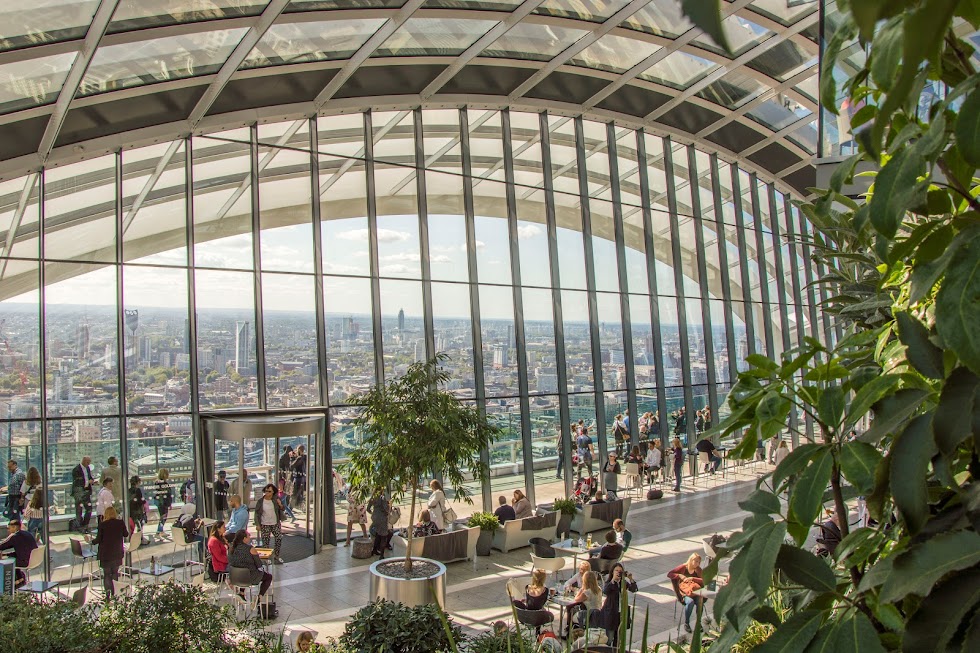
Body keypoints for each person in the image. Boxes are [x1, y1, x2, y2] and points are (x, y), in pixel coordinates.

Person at [593, 562, 638, 645]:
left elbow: (634, 589)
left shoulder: (623, 583)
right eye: (616, 570)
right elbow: (605, 591)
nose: (618, 572)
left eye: (620, 571)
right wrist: (613, 580)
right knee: (609, 638)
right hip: (611, 614)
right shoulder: (610, 583)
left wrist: (631, 579)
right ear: (612, 572)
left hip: (621, 614)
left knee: (618, 640)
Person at [92, 505, 128, 598]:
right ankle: (115, 594)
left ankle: (107, 595)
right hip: (117, 553)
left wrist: (90, 541)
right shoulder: (120, 523)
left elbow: (98, 540)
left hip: (106, 555)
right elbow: (126, 534)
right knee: (115, 573)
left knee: (107, 574)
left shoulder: (103, 525)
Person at [228, 530, 273, 601]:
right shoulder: (251, 549)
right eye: (249, 535)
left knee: (243, 571)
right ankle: (259, 597)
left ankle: (241, 593)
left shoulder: (231, 548)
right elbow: (259, 565)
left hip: (235, 577)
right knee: (268, 577)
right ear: (244, 538)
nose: (250, 536)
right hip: (249, 577)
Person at [667, 553, 705, 633]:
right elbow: (670, 574)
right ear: (691, 560)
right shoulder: (684, 567)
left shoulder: (698, 569)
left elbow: (704, 580)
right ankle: (687, 623)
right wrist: (680, 576)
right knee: (690, 602)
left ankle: (698, 623)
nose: (697, 564)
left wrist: (693, 578)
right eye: (696, 561)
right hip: (685, 592)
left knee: (700, 602)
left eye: (699, 562)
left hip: (695, 591)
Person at [0, 518, 37, 587]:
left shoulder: (14, 536)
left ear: (15, 527)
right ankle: (20, 579)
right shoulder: (27, 533)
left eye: (9, 528)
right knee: (11, 556)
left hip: (24, 561)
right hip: (33, 559)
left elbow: (2, 546)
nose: (8, 530)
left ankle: (15, 582)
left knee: (6, 561)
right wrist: (6, 554)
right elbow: (22, 550)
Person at [254, 483, 285, 564]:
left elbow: (282, 509)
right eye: (266, 491)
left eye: (269, 491)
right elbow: (256, 513)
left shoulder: (275, 500)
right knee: (265, 541)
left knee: (278, 538)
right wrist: (257, 524)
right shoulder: (261, 501)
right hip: (265, 524)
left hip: (275, 523)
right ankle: (266, 558)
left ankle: (276, 556)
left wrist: (280, 504)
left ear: (273, 492)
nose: (267, 493)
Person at [70, 456, 95, 532]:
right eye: (88, 462)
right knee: (79, 510)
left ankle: (85, 525)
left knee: (89, 509)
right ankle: (80, 527)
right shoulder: (76, 470)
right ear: (83, 461)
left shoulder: (87, 468)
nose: (88, 464)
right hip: (79, 492)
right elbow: (78, 482)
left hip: (86, 492)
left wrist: (92, 481)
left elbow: (90, 477)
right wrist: (88, 482)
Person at [368, 489, 390, 559]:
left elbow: (368, 509)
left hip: (375, 517)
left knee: (377, 533)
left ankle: (374, 550)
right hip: (382, 518)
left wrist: (373, 514)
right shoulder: (382, 498)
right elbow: (386, 508)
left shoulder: (373, 498)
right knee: (384, 535)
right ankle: (382, 555)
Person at [154, 468, 173, 535]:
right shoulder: (164, 484)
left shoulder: (157, 482)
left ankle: (161, 531)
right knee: (163, 518)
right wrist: (169, 503)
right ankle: (158, 532)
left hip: (159, 502)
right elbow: (167, 494)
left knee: (162, 517)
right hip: (163, 503)